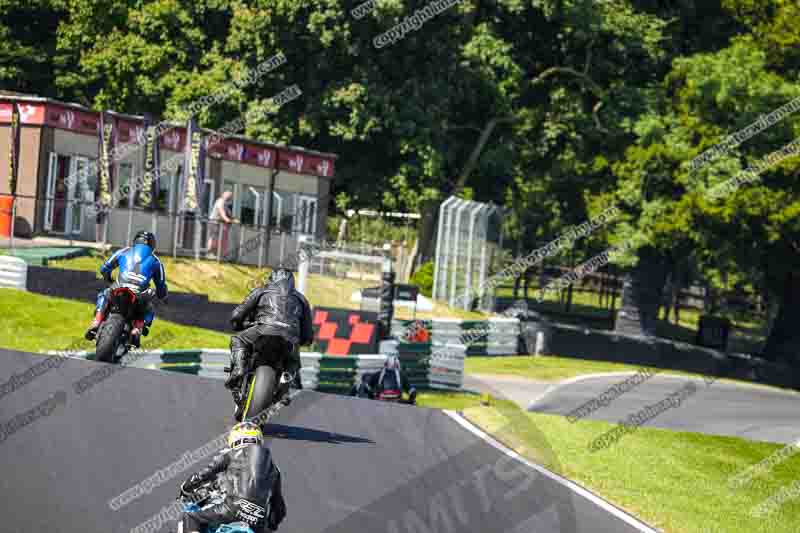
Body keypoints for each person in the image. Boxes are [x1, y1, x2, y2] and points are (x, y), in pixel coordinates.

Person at [178, 422, 286, 532]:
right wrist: (272, 525)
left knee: (190, 517)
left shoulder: (233, 453)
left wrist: (186, 488)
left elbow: (203, 474)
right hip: (257, 522)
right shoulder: (274, 469)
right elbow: (279, 507)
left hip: (230, 510)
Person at [225, 268, 313, 398]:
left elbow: (237, 314)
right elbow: (308, 334)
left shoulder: (261, 290)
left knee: (239, 340)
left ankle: (239, 368)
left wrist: (237, 324)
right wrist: (303, 340)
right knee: (294, 362)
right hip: (290, 338)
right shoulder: (302, 300)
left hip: (264, 330)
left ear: (271, 279)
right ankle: (286, 381)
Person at [84, 230, 168, 346]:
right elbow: (161, 285)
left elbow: (105, 268)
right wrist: (161, 295)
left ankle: (96, 322)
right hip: (139, 294)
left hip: (119, 288)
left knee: (105, 294)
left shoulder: (124, 251)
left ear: (135, 241)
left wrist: (108, 278)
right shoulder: (156, 261)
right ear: (152, 245)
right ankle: (137, 329)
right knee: (149, 307)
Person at [352, 355, 417, 404]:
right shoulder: (402, 375)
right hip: (396, 401)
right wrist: (411, 400)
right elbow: (411, 391)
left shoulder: (378, 374)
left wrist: (371, 394)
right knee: (414, 402)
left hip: (380, 401)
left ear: (385, 365)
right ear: (398, 366)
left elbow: (367, 388)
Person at [207, 191, 235, 259]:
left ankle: (220, 255)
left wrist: (233, 219)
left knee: (220, 239)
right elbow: (221, 211)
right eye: (228, 195)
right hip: (214, 222)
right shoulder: (220, 201)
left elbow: (228, 213)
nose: (230, 197)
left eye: (230, 196)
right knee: (214, 238)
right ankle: (209, 253)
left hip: (219, 223)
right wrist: (227, 219)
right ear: (223, 195)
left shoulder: (225, 203)